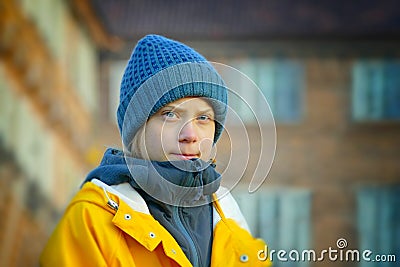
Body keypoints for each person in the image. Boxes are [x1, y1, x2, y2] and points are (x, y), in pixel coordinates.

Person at [40, 34, 271, 267]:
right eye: (170, 115)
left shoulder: (227, 214)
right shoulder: (92, 219)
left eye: (203, 118)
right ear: (138, 126)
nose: (190, 135)